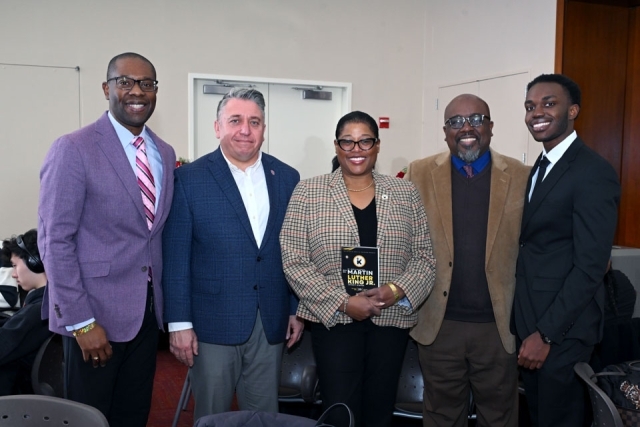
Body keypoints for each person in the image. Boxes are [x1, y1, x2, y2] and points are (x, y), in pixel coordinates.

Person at [38, 52, 176, 426]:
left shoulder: (164, 152)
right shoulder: (74, 148)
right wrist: (81, 322)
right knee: (90, 419)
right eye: (126, 82)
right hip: (94, 318)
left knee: (133, 416)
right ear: (107, 88)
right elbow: (55, 242)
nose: (137, 92)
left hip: (147, 318)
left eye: (147, 84)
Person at [280, 111, 436, 427]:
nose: (356, 149)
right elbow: (294, 259)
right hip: (334, 321)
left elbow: (424, 258)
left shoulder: (405, 193)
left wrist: (394, 292)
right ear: (337, 146)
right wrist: (343, 301)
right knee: (340, 409)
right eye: (347, 142)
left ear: (376, 145)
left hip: (389, 318)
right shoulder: (309, 192)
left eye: (365, 140)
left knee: (380, 409)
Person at [162, 87, 303, 419]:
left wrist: (295, 308)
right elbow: (176, 257)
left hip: (270, 320)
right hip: (211, 324)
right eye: (236, 120)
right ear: (217, 127)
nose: (245, 130)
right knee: (213, 416)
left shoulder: (286, 177)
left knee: (263, 415)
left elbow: (294, 251)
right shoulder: (188, 179)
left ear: (264, 129)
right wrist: (179, 323)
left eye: (255, 122)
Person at [406, 94, 530, 426]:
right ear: (445, 131)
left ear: (490, 126)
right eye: (456, 122)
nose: (467, 128)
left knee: (499, 416)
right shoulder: (417, 174)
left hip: (498, 327)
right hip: (438, 325)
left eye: (476, 119)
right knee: (441, 416)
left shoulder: (522, 176)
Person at [512, 74, 620, 427]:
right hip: (532, 323)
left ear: (572, 110)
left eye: (548, 103)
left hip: (562, 331)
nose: (536, 113)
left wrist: (545, 335)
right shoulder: (541, 168)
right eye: (530, 106)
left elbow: (591, 266)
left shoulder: (592, 172)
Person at [0, 229, 51, 395]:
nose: (13, 274)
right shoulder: (46, 301)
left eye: (15, 266)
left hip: (15, 395)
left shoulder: (39, 310)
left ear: (34, 261)